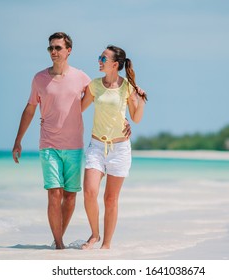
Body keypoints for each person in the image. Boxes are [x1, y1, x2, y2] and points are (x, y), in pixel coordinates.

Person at [11, 32, 91, 249]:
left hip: (74, 145)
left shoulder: (81, 77)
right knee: (54, 193)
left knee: (70, 197)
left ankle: (59, 238)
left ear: (68, 50)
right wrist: (18, 140)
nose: (53, 52)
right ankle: (58, 244)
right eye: (50, 48)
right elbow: (29, 109)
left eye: (57, 48)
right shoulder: (39, 78)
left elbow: (102, 96)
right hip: (49, 145)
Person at [81, 45, 147, 249]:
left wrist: (141, 100)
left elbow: (135, 118)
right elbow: (78, 109)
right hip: (96, 147)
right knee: (89, 192)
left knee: (110, 199)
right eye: (99, 57)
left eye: (103, 58)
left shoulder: (127, 87)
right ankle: (94, 235)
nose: (99, 60)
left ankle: (106, 245)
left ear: (115, 64)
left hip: (119, 150)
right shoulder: (94, 85)